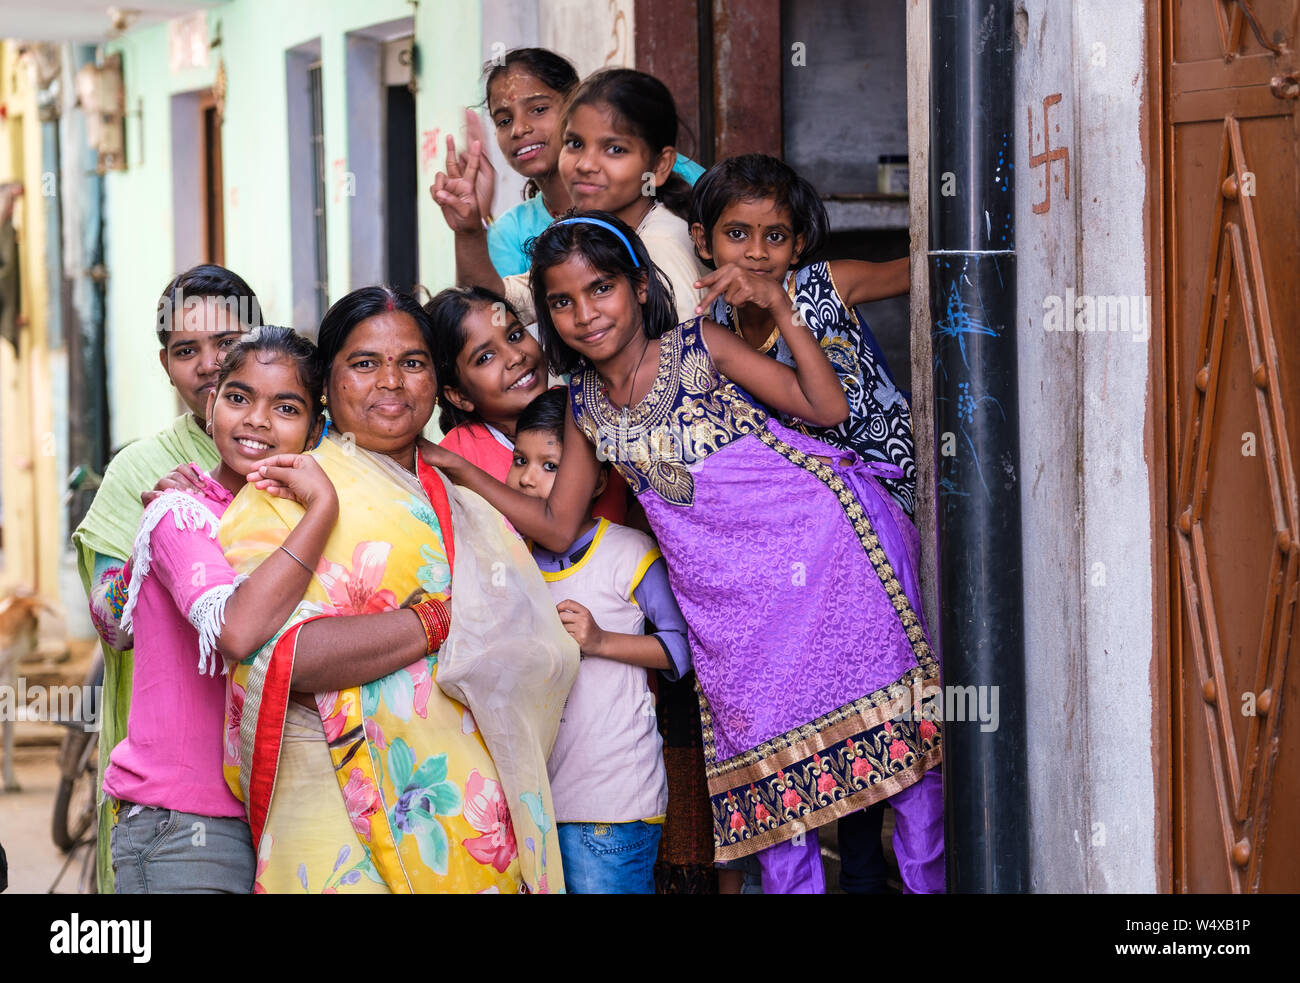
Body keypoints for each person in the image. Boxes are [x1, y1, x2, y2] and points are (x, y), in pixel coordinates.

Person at [421, 214, 945, 894]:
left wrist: (782, 306)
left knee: (904, 771)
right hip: (733, 616)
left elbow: (824, 407)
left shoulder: (701, 346)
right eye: (562, 301)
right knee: (776, 795)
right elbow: (556, 524)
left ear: (640, 286)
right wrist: (459, 468)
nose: (585, 313)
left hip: (827, 558)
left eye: (601, 287)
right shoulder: (581, 402)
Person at [222, 286, 578, 893]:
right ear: (326, 388)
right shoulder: (282, 495)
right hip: (333, 810)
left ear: (437, 384)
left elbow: (538, 652)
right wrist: (434, 624)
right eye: (364, 364)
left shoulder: (471, 504)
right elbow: (280, 654)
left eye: (412, 363)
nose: (391, 381)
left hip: (474, 818)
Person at [104, 326, 336, 893]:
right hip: (184, 826)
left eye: (285, 406)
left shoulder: (289, 520)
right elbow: (236, 630)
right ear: (211, 410)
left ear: (315, 429)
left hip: (282, 822)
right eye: (238, 397)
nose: (256, 419)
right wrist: (322, 508)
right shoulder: (179, 513)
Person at [72, 263, 261, 892]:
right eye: (187, 350)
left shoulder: (312, 450)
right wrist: (160, 533)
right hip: (183, 806)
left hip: (307, 783)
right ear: (166, 364)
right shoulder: (140, 471)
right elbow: (110, 621)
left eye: (228, 343)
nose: (209, 365)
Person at [507, 388, 690, 893]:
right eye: (520, 459)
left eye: (550, 465)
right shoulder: (509, 561)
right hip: (536, 806)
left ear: (596, 481)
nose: (526, 476)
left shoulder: (629, 552)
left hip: (613, 801)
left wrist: (601, 640)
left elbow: (682, 648)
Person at [691, 153, 917, 518]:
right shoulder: (718, 318)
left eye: (775, 237)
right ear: (703, 241)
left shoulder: (828, 283)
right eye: (737, 234)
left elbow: (924, 271)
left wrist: (781, 303)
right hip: (811, 490)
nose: (756, 252)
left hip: (889, 476)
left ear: (797, 245)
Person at [434, 68, 709, 326]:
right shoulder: (597, 236)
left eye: (614, 149)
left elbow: (682, 367)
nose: (585, 164)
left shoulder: (662, 247)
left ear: (660, 166)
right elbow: (495, 306)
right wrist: (469, 231)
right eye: (575, 144)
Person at [476, 48, 704, 278]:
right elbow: (510, 298)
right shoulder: (518, 233)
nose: (519, 129)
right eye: (504, 120)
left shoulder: (665, 238)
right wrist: (468, 231)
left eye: (538, 109)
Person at [426, 284, 625, 523]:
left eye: (515, 336)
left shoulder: (589, 407)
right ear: (459, 395)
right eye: (485, 357)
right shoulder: (455, 460)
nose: (515, 356)